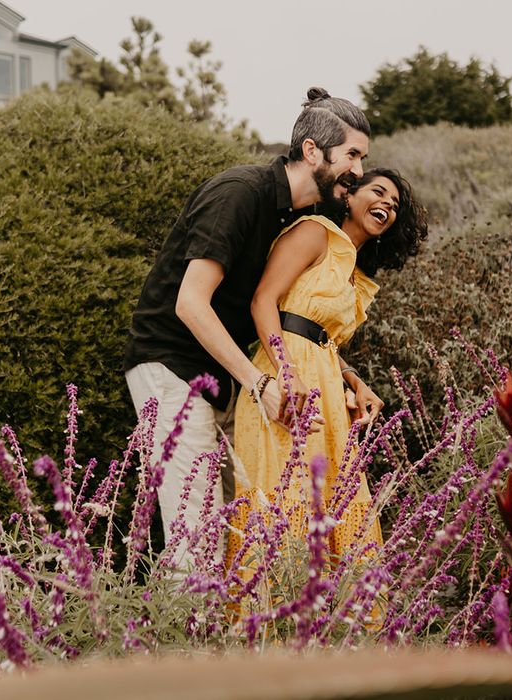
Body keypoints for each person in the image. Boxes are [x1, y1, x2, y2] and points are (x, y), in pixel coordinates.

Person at [123, 88, 370, 565]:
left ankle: (228, 639)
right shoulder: (240, 192)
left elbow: (286, 315)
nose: (358, 171)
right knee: (196, 535)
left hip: (224, 377)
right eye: (353, 155)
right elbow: (190, 304)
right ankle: (186, 640)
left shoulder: (301, 218)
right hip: (171, 368)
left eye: (363, 157)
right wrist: (261, 384)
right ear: (312, 151)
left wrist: (346, 375)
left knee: (242, 526)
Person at [227, 168, 428, 572]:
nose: (387, 205)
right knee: (282, 497)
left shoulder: (353, 270)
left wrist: (354, 380)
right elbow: (264, 303)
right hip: (284, 380)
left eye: (395, 205)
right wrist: (287, 373)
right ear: (349, 197)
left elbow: (322, 340)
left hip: (326, 391)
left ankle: (330, 623)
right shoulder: (316, 232)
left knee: (335, 500)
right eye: (378, 192)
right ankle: (265, 620)